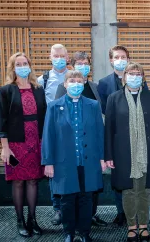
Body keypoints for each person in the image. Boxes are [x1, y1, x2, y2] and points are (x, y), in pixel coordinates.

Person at [105, 62, 150, 242]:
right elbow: (108, 128)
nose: (134, 76)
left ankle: (144, 225)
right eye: (130, 73)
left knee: (144, 190)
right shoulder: (113, 98)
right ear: (124, 77)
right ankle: (132, 226)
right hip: (123, 153)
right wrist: (108, 155)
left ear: (143, 77)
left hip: (149, 152)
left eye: (137, 73)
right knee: (128, 190)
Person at [42, 70, 105, 242]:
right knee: (67, 200)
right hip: (63, 162)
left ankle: (84, 233)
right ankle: (69, 233)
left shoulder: (93, 105)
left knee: (86, 199)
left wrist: (102, 158)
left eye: (79, 80)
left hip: (89, 161)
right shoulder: (54, 106)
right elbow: (48, 136)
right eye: (72, 80)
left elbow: (100, 133)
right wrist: (48, 162)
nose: (76, 83)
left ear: (84, 83)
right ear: (65, 84)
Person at [0, 52, 47, 237]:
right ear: (13, 67)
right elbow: (1, 121)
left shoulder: (38, 88)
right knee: (18, 181)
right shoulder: (5, 90)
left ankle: (32, 219)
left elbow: (44, 116)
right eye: (18, 63)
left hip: (36, 142)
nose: (23, 66)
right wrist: (5, 147)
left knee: (33, 180)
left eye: (25, 63)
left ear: (30, 65)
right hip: (16, 144)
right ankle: (20, 221)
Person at [54, 51, 106, 227]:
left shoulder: (94, 86)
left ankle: (89, 216)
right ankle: (69, 220)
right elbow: (58, 121)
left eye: (86, 63)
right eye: (79, 63)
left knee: (90, 188)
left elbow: (100, 115)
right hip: (70, 147)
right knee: (71, 190)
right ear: (73, 64)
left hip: (90, 146)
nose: (83, 66)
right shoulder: (64, 88)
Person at [97, 45, 131, 226]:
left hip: (135, 136)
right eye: (116, 57)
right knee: (118, 176)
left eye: (123, 57)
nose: (120, 60)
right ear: (111, 60)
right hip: (116, 136)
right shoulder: (103, 83)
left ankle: (133, 210)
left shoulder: (137, 78)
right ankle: (121, 212)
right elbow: (104, 109)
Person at [36, 44, 69, 225]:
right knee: (53, 170)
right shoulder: (43, 80)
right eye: (55, 55)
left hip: (72, 132)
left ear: (67, 57)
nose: (59, 58)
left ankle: (70, 208)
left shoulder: (74, 78)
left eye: (62, 55)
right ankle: (57, 208)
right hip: (52, 131)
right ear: (50, 57)